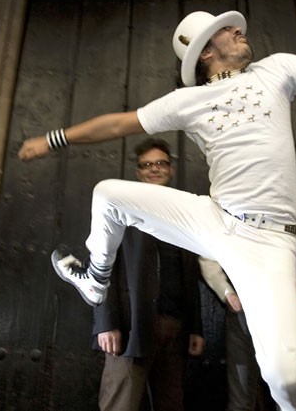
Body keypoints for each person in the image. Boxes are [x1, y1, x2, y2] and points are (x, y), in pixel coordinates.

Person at [18, 10, 296, 411]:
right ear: (205, 51)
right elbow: (119, 124)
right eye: (228, 29)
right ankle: (95, 280)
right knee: (107, 194)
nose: (239, 29)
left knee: (286, 378)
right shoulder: (187, 101)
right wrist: (53, 139)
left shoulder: (277, 69)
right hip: (216, 219)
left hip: (269, 242)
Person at [91, 138, 205, 411]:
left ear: (171, 169)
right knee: (121, 405)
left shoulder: (184, 212)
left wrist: (195, 328)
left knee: (171, 404)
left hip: (175, 328)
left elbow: (191, 275)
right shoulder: (119, 208)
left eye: (161, 163)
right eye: (147, 165)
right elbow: (100, 264)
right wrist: (106, 322)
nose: (154, 168)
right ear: (138, 172)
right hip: (132, 326)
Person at [199, 191, 296, 411]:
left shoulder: (292, 194)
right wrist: (226, 292)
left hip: (285, 313)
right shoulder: (224, 196)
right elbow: (208, 255)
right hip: (242, 314)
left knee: (289, 396)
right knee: (241, 401)